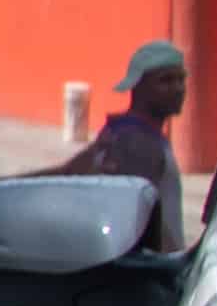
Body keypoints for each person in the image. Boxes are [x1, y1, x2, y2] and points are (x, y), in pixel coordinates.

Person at [50, 40, 188, 250]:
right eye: (166, 81)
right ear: (138, 87)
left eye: (181, 79)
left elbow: (70, 171)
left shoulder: (120, 132)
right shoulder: (140, 143)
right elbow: (146, 222)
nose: (178, 89)